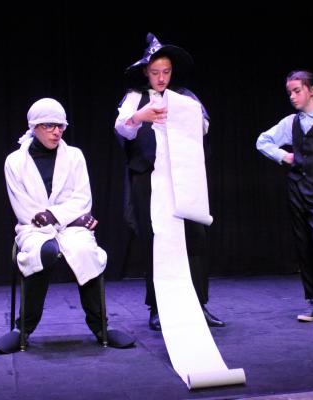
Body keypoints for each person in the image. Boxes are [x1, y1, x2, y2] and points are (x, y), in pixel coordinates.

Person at [0, 98, 134, 353]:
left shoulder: (74, 156)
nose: (56, 131)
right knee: (44, 252)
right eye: (49, 126)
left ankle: (101, 327)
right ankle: (22, 329)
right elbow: (24, 208)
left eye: (61, 126)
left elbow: (82, 199)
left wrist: (54, 216)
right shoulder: (14, 161)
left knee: (84, 252)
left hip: (71, 228)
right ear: (34, 126)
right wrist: (67, 218)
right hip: (33, 229)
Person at [114, 33, 225, 331]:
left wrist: (180, 114)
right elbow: (122, 128)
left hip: (183, 178)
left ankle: (198, 305)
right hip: (148, 179)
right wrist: (141, 116)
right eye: (155, 72)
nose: (161, 78)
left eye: (166, 72)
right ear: (145, 72)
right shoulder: (134, 97)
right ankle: (157, 307)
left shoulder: (185, 96)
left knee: (194, 238)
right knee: (155, 241)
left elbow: (203, 126)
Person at [256, 70, 313, 328]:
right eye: (289, 92)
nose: (292, 96)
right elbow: (262, 141)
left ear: (312, 90)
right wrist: (283, 156)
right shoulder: (291, 122)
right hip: (297, 189)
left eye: (297, 90)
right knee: (304, 245)